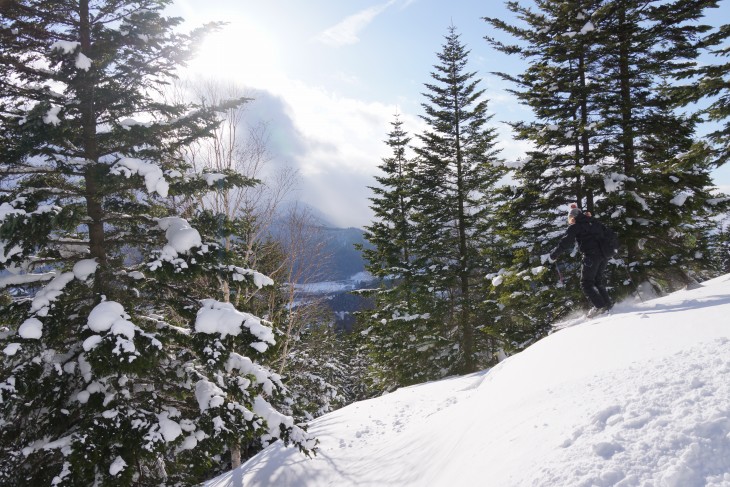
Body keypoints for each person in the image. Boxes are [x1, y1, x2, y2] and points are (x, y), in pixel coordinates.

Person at [542, 204, 614, 317]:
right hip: (604, 255)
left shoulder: (576, 226)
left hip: (591, 256)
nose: (570, 222)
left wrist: (554, 255)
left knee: (586, 283)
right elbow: (607, 234)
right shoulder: (594, 222)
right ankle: (607, 305)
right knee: (597, 281)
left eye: (570, 219)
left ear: (573, 217)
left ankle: (600, 307)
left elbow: (565, 242)